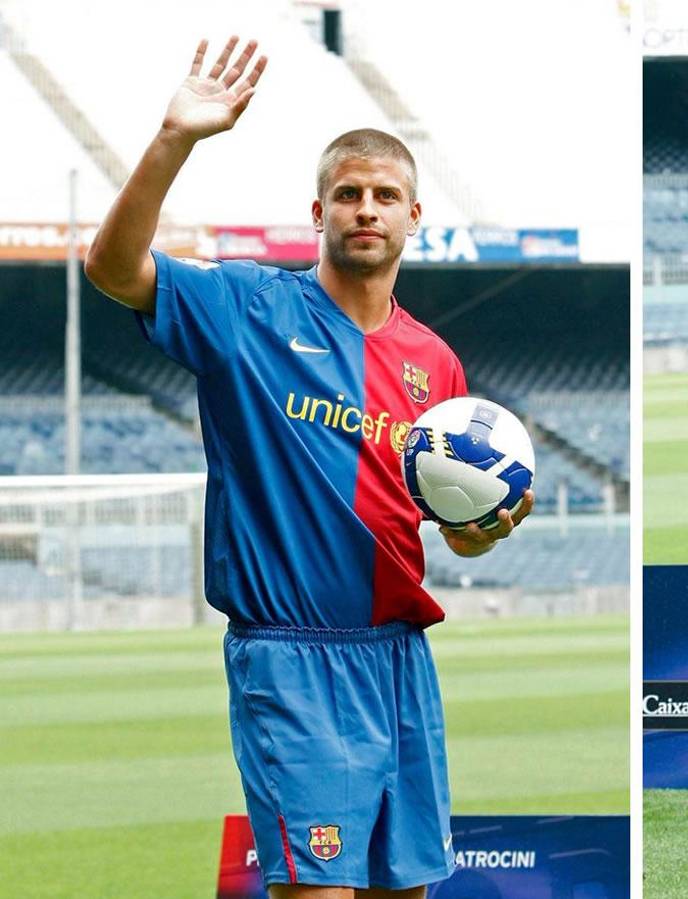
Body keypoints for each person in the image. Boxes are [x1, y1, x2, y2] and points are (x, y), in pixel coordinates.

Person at [85, 37, 532, 898]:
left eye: (385, 196)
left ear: (414, 217)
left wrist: (482, 532)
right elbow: (112, 270)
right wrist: (174, 138)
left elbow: (443, 531)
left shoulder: (434, 364)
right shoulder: (247, 306)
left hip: (400, 657)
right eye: (349, 195)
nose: (367, 208)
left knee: (407, 890)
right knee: (316, 892)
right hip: (289, 657)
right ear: (318, 212)